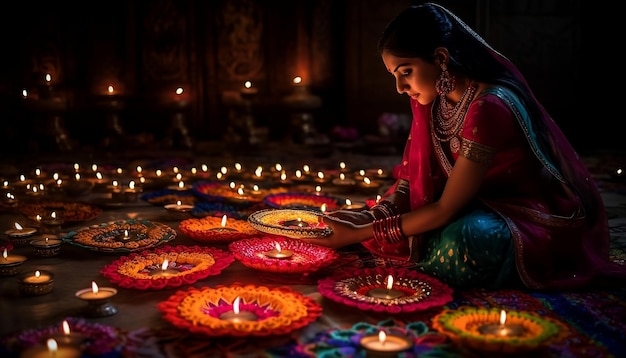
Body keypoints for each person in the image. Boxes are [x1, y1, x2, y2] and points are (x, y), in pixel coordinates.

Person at [307, 2, 626, 290]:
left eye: (406, 72)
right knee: (408, 228)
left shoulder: (489, 106)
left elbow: (446, 208)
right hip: (475, 204)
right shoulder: (433, 100)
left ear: (441, 58)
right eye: (395, 75)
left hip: (523, 214)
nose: (401, 87)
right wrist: (372, 217)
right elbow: (409, 183)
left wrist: (363, 234)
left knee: (464, 241)